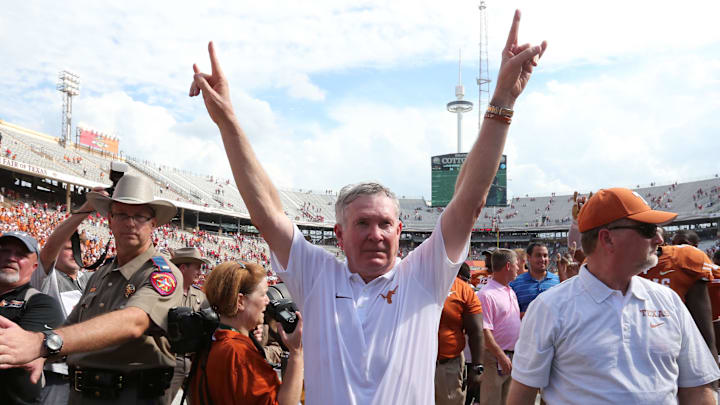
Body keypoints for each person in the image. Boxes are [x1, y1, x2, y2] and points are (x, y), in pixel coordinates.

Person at [190, 9, 546, 404]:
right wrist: (228, 121)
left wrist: (502, 101)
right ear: (339, 235)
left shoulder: (422, 278)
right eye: (362, 223)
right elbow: (266, 211)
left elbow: (470, 200)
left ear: (399, 231)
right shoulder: (319, 278)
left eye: (384, 223)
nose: (375, 233)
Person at [507, 188, 720, 405]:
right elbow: (522, 395)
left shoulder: (669, 301)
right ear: (607, 239)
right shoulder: (549, 308)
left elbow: (697, 388)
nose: (659, 238)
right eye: (647, 229)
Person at [0, 174, 184, 404]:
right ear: (110, 220)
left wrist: (43, 343)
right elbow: (72, 324)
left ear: (153, 224)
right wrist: (41, 354)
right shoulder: (102, 273)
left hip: (131, 396)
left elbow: (133, 322)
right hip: (82, 394)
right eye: (122, 214)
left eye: (140, 216)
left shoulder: (160, 273)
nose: (130, 223)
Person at [189, 261, 303, 405]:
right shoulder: (238, 353)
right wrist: (296, 353)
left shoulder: (210, 340)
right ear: (240, 301)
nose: (268, 301)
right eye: (262, 294)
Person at [29, 190, 99, 404]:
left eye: (76, 248)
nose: (72, 253)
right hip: (57, 374)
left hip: (90, 373)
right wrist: (85, 210)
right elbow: (49, 249)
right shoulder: (46, 278)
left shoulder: (91, 279)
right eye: (66, 248)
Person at [0, 231, 64, 405]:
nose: (11, 257)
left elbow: (13, 351)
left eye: (21, 254)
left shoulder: (41, 303)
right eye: (4, 251)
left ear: (35, 266)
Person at [639, 235, 718, 361]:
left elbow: (706, 337)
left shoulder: (686, 259)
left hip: (677, 357)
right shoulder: (606, 272)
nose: (659, 239)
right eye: (645, 231)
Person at [163, 247, 211, 405]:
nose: (200, 272)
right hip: (170, 361)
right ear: (183, 268)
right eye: (197, 267)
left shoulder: (200, 296)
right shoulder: (165, 293)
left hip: (193, 361)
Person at [435, 263, 484, 405]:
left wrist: (477, 367)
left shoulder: (462, 289)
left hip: (447, 366)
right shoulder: (411, 282)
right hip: (413, 364)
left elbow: (476, 331)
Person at [477, 249, 521, 405]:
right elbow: (484, 331)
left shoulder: (510, 291)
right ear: (508, 266)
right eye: (517, 264)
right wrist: (501, 356)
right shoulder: (486, 295)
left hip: (510, 357)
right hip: (494, 358)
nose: (519, 267)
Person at [509, 242, 558, 316]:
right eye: (538, 256)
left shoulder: (558, 281)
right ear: (529, 257)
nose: (542, 259)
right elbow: (510, 315)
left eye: (545, 256)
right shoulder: (515, 284)